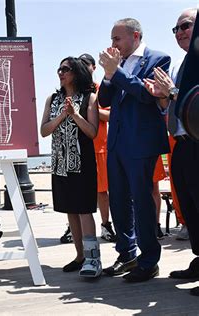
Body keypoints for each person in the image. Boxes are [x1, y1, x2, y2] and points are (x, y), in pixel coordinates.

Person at [98, 18, 170, 283]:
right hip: (116, 142)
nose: (112, 44)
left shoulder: (158, 59)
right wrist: (108, 75)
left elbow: (146, 94)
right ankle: (126, 253)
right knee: (118, 201)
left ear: (135, 36)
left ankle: (149, 260)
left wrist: (115, 71)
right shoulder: (116, 65)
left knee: (141, 200)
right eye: (112, 39)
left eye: (117, 38)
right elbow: (105, 99)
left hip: (141, 142)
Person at [143, 8, 199, 296]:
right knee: (189, 207)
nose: (180, 32)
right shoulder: (179, 65)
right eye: (175, 29)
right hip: (182, 143)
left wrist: (172, 92)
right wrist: (163, 97)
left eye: (186, 26)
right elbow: (172, 107)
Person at [41, 56, 101, 278]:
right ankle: (80, 256)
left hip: (82, 162)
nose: (60, 72)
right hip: (60, 163)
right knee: (71, 211)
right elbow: (44, 130)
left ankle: (93, 259)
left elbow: (92, 132)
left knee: (84, 210)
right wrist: (61, 117)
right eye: (59, 68)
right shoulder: (52, 99)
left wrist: (75, 115)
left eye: (65, 69)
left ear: (76, 72)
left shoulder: (89, 98)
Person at [79, 53, 117, 243]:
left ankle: (105, 224)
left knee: (102, 191)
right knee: (76, 190)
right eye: (80, 64)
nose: (83, 67)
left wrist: (89, 109)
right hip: (77, 147)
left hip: (99, 146)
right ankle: (73, 227)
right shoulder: (71, 90)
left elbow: (110, 116)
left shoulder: (99, 89)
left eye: (86, 64)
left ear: (94, 67)